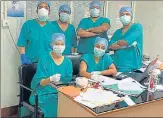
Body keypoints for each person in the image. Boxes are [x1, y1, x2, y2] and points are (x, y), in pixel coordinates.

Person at [29, 33, 73, 117]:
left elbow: (68, 80)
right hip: (43, 93)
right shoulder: (44, 59)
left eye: (62, 44)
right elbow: (40, 82)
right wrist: (50, 79)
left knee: (73, 106)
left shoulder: (68, 62)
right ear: (52, 44)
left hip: (61, 93)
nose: (59, 46)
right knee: (55, 108)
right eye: (57, 44)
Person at [108, 6, 143, 72]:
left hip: (132, 67)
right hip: (117, 65)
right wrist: (123, 44)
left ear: (131, 16)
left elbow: (125, 42)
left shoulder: (137, 27)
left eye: (127, 14)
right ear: (120, 17)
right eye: (122, 14)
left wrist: (118, 44)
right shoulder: (117, 32)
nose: (125, 16)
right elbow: (110, 47)